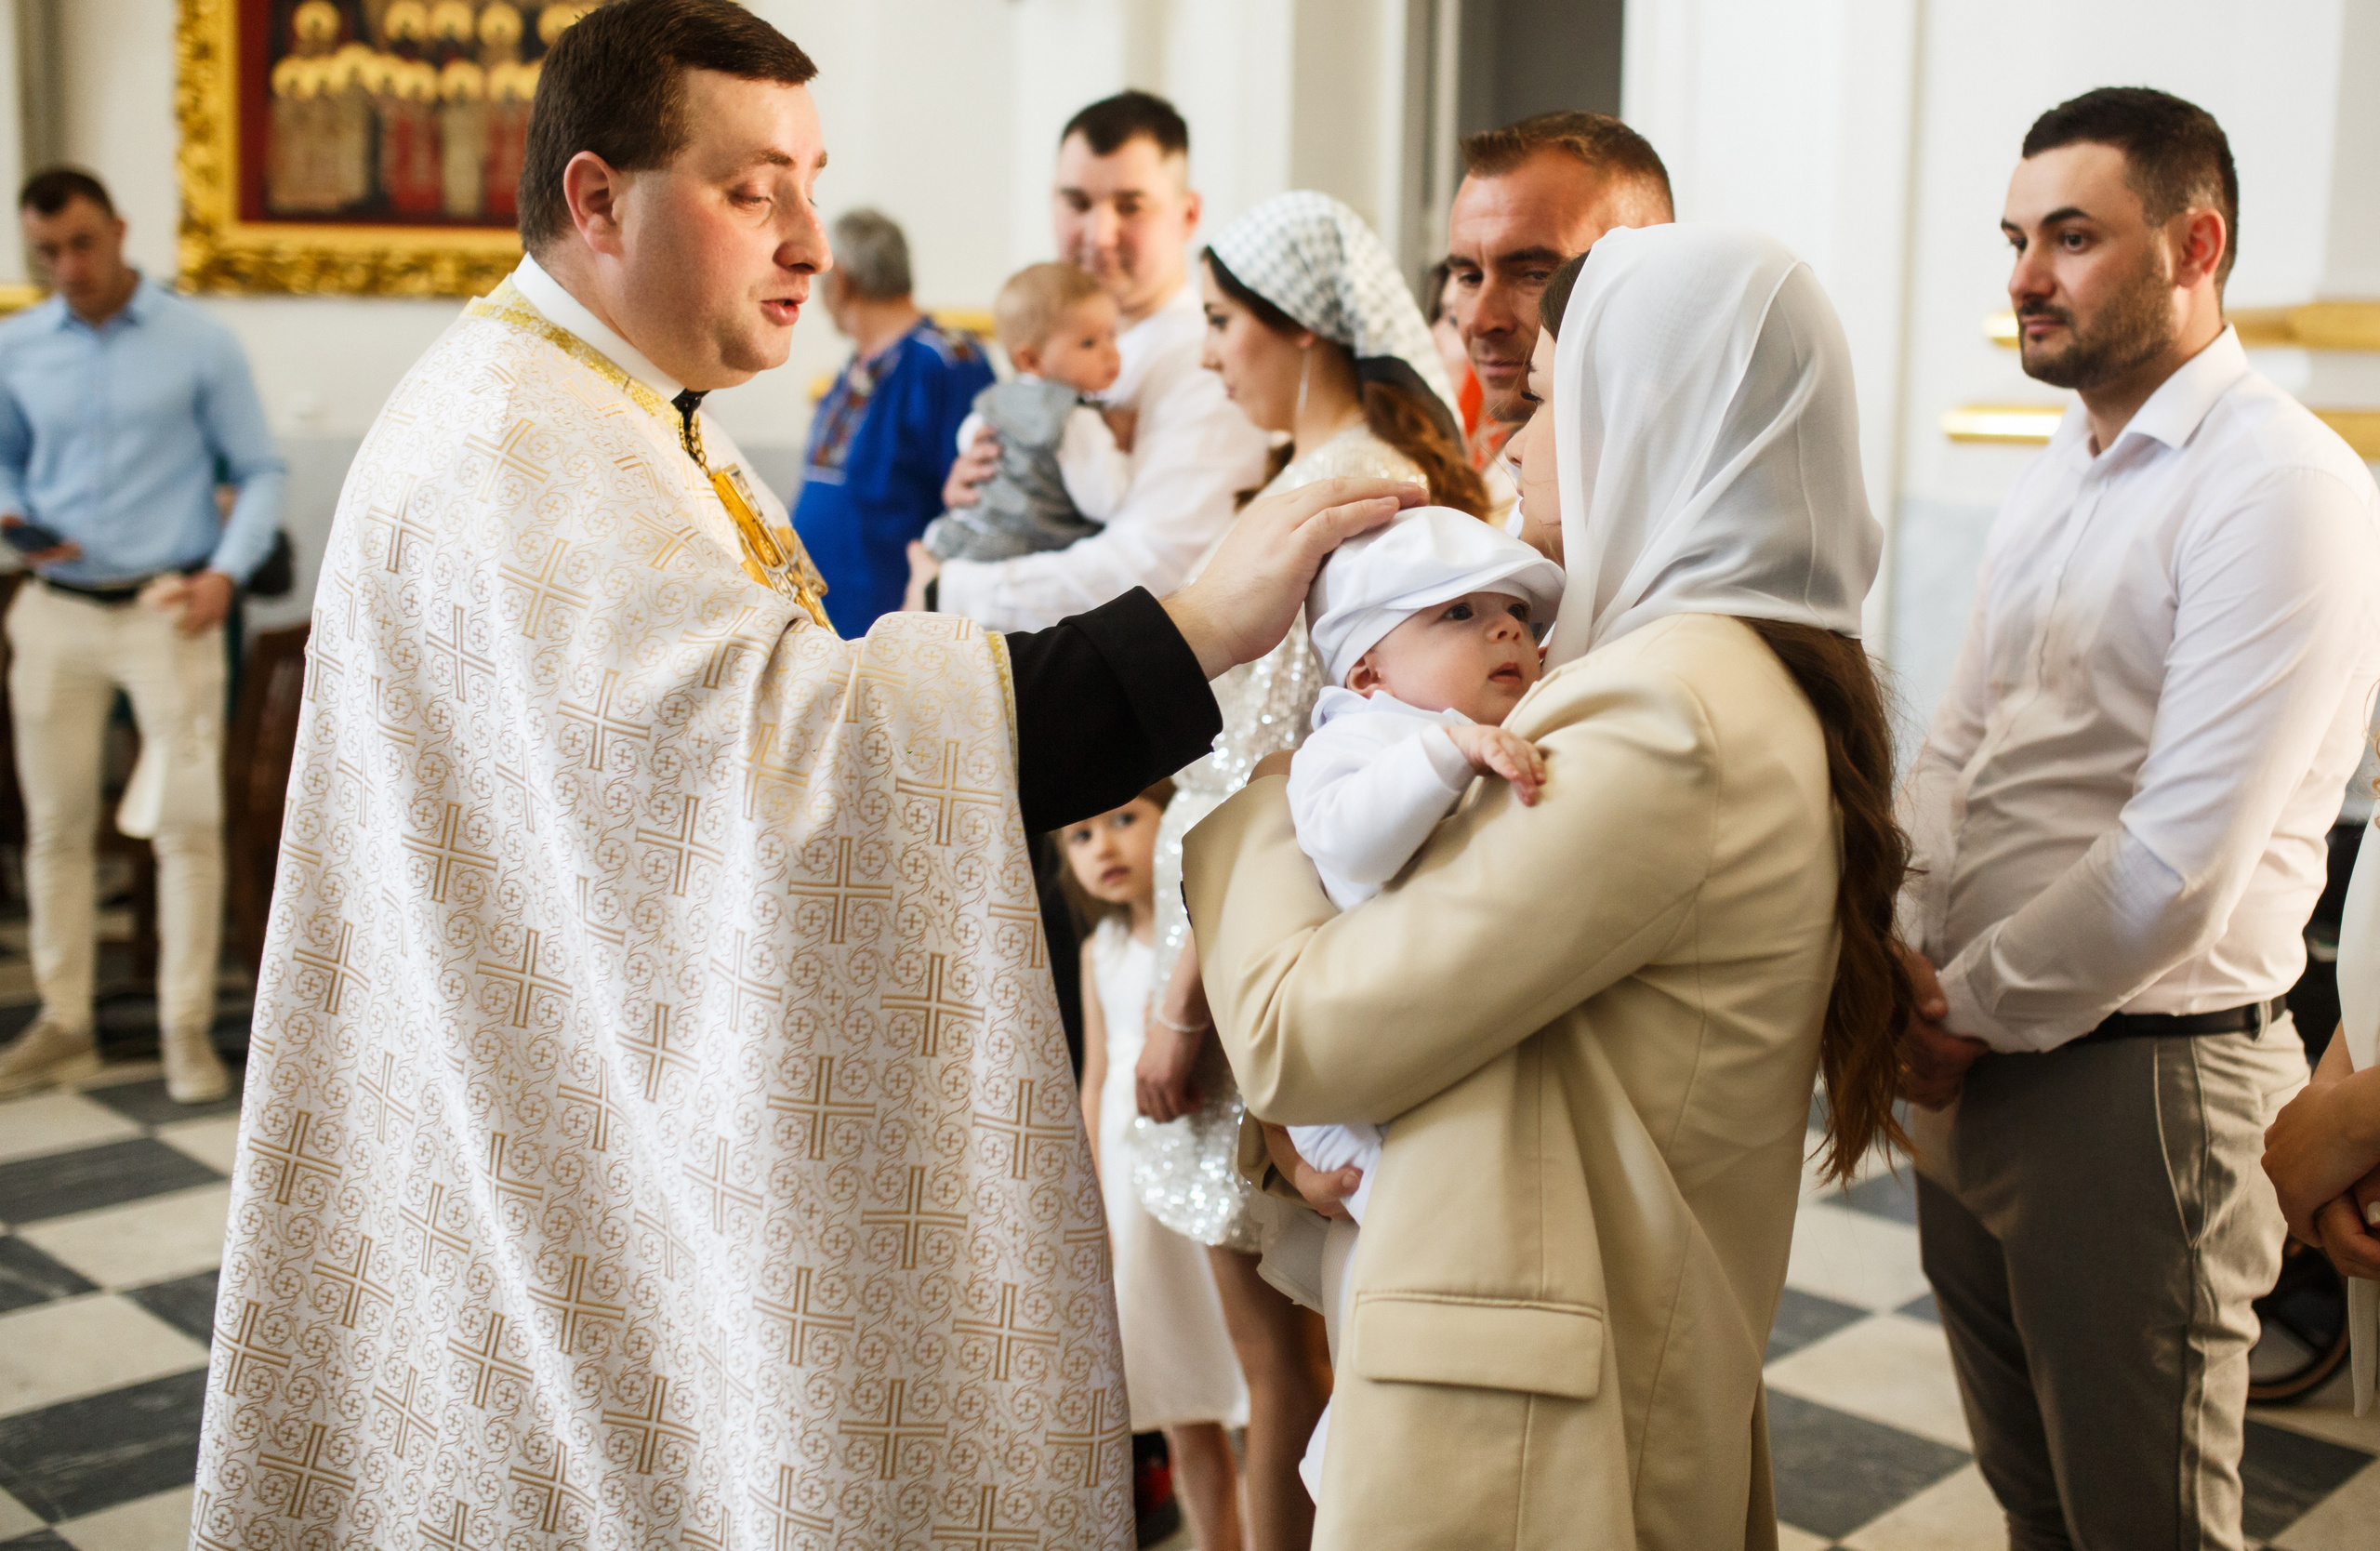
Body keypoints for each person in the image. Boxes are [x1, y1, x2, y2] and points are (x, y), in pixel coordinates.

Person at [191, 5, 1416, 1542]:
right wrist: (1197, 624)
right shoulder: (519, 445)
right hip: (540, 1168)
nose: (808, 241)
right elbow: (803, 749)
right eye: (751, 188)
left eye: (810, 183)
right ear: (596, 200)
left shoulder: (611, 408)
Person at [1184, 225, 1905, 1546]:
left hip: (1528, 1436)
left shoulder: (1668, 714)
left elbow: (1307, 1032)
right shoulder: (1690, 681)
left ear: (1654, 417)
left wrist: (1256, 803)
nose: (1510, 448)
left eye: (1555, 407)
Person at [1895, 88, 2380, 1549]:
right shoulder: (2064, 466)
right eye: (2014, 239)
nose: (2024, 277)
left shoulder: (2279, 480)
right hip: (1977, 1066)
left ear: (2195, 244)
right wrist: (1913, 944)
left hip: (2142, 1087)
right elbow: (1956, 746)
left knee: (2147, 1525)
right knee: (2037, 1506)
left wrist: (1956, 1004)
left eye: (2071, 238)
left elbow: (2180, 861)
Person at [1132, 188, 1486, 1551]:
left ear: (1303, 330)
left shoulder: (1329, 490)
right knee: (1309, 1356)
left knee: (1282, 1368)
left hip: (1248, 972)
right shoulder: (1363, 467)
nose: (1213, 354)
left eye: (1224, 324)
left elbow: (1270, 779)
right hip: (1264, 955)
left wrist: (1181, 1010)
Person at [1263, 503, 1565, 1500]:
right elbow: (1348, 844)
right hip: (1353, 1099)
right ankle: (1355, 1463)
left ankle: (1386, 1457)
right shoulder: (1353, 741)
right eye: (1459, 613)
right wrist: (1450, 750)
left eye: (1516, 612)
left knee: (1422, 1271)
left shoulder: (1466, 721)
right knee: (1416, 1267)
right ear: (1366, 671)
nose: (1505, 628)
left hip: (1421, 1064)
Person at [0, 167, 286, 1107]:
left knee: (187, 826)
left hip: (169, 610)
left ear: (120, 230)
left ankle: (184, 1031)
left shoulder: (196, 343)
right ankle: (65, 1023)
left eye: (82, 244)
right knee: (55, 825)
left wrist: (224, 573)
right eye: (46, 252)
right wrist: (14, 517)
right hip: (56, 608)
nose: (67, 267)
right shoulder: (18, 346)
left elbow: (261, 470)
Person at [920, 90, 1269, 630]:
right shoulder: (1052, 339)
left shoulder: (1208, 360)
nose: (1098, 235)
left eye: (1130, 206)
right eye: (1077, 203)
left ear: (1188, 214)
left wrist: (953, 588)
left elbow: (1157, 564)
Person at [1064, 783, 1249, 1551]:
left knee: (1255, 1369)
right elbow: (1098, 1078)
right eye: (1079, 836)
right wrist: (1090, 1206)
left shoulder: (1192, 933)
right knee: (1178, 1397)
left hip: (1205, 1163)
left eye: (1122, 820)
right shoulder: (1096, 952)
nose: (1103, 846)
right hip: (1135, 1187)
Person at [789, 206, 991, 634]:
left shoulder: (947, 362)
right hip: (824, 628)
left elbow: (975, 502)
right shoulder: (854, 368)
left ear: (840, 280)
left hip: (891, 634)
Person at [1443, 111, 1671, 471]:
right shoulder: (1515, 469)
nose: (1481, 320)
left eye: (1535, 275)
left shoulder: (1686, 486)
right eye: (1469, 277)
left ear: (1648, 271)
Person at [920, 261, 1132, 563]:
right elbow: (1106, 502)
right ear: (1031, 359)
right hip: (1018, 549)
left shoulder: (999, 397)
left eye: (1112, 335)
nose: (1110, 352)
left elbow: (969, 434)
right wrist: (1121, 451)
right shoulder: (1075, 419)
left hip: (959, 533)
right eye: (1088, 343)